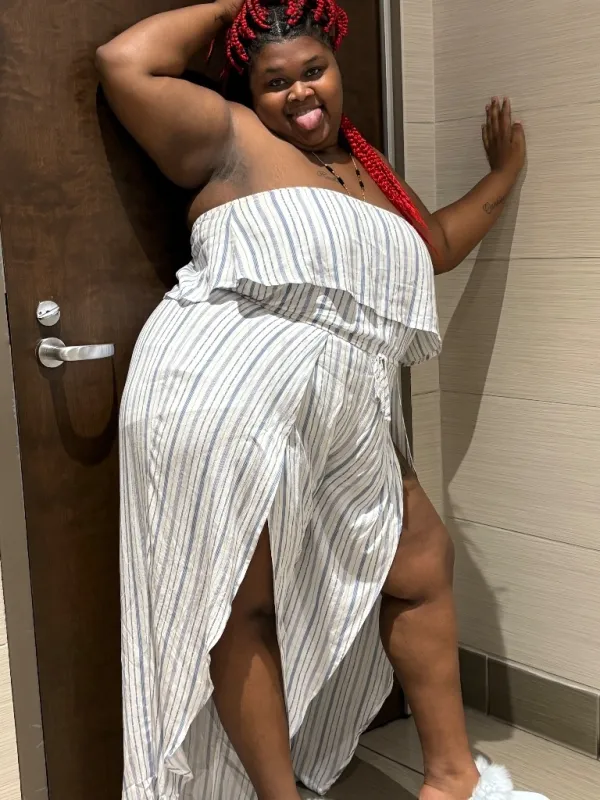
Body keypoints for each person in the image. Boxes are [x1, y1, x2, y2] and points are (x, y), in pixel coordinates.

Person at [97, 2, 545, 799]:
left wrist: (505, 174)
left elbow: (436, 246)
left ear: (338, 68)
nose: (300, 92)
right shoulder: (233, 137)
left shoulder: (369, 170)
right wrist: (238, 5)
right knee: (242, 603)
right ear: (251, 92)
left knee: (420, 562)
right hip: (226, 385)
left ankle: (453, 779)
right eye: (276, 82)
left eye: (313, 70)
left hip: (346, 395)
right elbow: (123, 63)